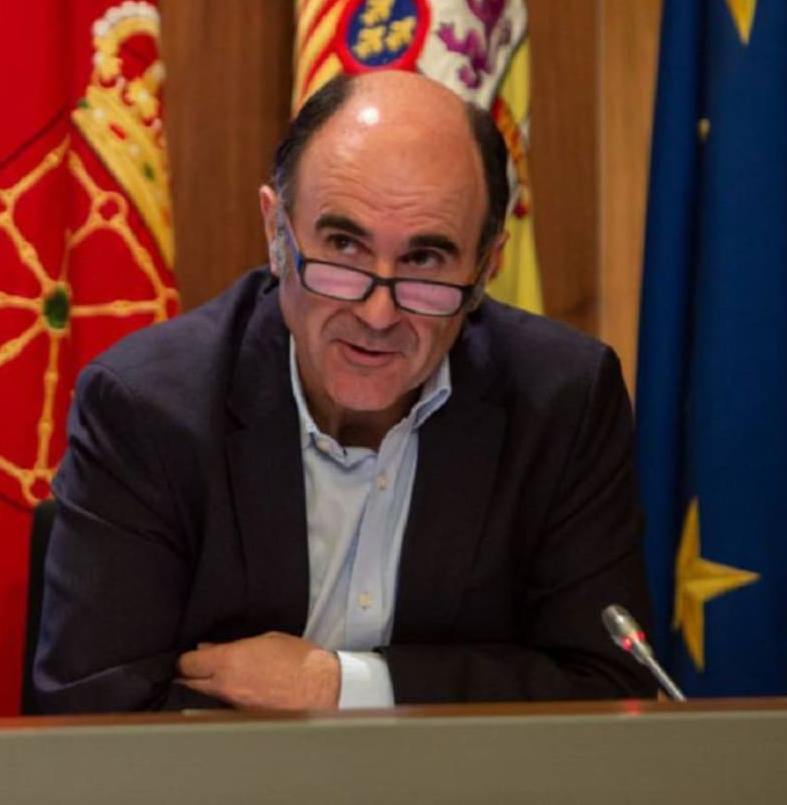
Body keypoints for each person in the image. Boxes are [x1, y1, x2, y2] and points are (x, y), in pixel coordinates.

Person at [34, 70, 656, 712]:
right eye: (343, 247)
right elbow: (94, 714)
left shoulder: (563, 401)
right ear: (276, 233)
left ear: (487, 266)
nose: (377, 314)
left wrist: (340, 687)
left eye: (424, 260)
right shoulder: (149, 408)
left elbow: (609, 690)